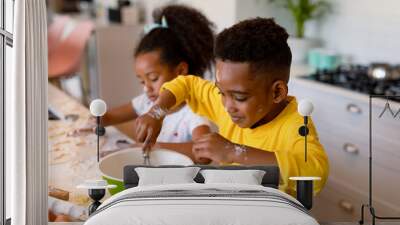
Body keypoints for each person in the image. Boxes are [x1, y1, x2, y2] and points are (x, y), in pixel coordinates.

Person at [133, 18, 329, 196]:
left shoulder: (295, 125)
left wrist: (233, 151)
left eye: (239, 97)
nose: (227, 106)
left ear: (277, 92)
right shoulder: (226, 102)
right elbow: (186, 84)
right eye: (221, 92)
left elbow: (315, 171)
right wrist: (156, 112)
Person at [79, 5, 215, 163]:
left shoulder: (193, 112)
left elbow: (205, 155)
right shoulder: (147, 101)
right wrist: (94, 120)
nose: (147, 88)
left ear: (180, 71)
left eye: (153, 78)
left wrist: (156, 146)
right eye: (142, 81)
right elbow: (108, 116)